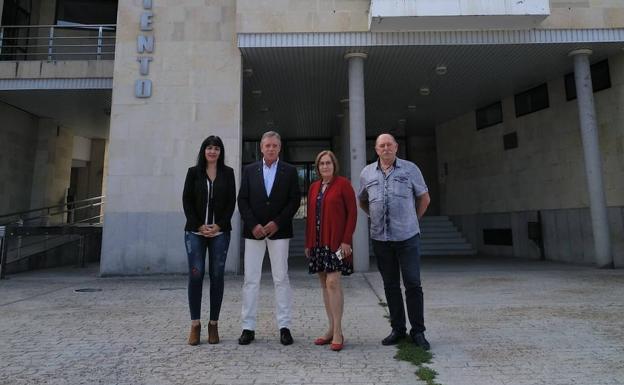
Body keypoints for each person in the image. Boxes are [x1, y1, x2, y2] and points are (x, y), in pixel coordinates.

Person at [358, 133, 432, 350]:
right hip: (381, 238)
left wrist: (413, 219)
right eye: (382, 145)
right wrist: (374, 216)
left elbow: (424, 198)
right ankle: (398, 329)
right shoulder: (366, 172)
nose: (386, 148)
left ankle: (418, 331)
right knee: (390, 285)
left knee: (412, 284)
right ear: (376, 149)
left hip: (407, 237)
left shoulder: (410, 169)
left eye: (389, 144)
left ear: (396, 147)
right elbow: (362, 200)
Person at [237, 131, 301, 345]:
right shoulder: (249, 170)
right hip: (253, 233)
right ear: (261, 148)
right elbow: (243, 199)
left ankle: (285, 326)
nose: (271, 148)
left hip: (279, 231)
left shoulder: (290, 171)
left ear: (279, 147)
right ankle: (248, 327)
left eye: (275, 145)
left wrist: (277, 222)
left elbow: (294, 201)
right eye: (267, 145)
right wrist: (252, 224)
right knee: (251, 280)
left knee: (281, 278)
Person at [182, 135, 236, 346]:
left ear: (221, 152)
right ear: (203, 150)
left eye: (216, 148)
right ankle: (195, 324)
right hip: (195, 233)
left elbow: (232, 202)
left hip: (220, 233)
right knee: (196, 276)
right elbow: (186, 201)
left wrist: (219, 225)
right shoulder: (193, 173)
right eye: (209, 148)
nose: (212, 151)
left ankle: (213, 324)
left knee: (217, 276)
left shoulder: (228, 173)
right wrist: (198, 225)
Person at [305, 150, 357, 352]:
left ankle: (338, 331)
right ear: (318, 168)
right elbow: (310, 217)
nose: (325, 166)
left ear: (334, 165)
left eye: (328, 163)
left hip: (336, 245)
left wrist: (346, 241)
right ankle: (330, 329)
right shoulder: (314, 187)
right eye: (321, 164)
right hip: (318, 243)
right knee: (324, 284)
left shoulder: (343, 184)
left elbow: (352, 214)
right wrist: (309, 243)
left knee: (333, 282)